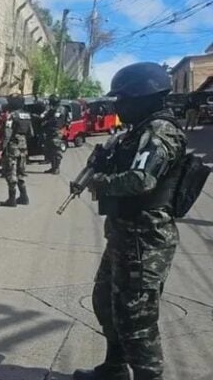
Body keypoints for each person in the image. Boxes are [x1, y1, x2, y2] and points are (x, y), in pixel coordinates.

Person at [73, 62, 187, 380]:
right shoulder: (137, 131)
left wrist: (100, 182)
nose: (118, 105)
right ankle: (114, 369)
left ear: (143, 96)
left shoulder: (159, 131)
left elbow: (142, 180)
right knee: (106, 302)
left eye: (123, 99)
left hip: (145, 239)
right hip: (126, 234)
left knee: (136, 318)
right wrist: (104, 161)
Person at [0, 93, 32, 207]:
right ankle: (24, 197)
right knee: (21, 172)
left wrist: (2, 148)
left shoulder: (12, 116)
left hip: (13, 146)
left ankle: (12, 199)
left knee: (11, 172)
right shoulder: (27, 115)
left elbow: (7, 133)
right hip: (23, 146)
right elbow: (31, 133)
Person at [41, 94, 67, 174]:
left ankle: (56, 168)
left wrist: (46, 123)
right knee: (50, 150)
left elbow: (54, 120)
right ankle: (53, 167)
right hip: (50, 131)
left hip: (56, 131)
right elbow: (46, 116)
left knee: (56, 151)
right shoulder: (53, 109)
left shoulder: (60, 109)